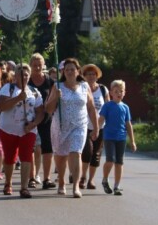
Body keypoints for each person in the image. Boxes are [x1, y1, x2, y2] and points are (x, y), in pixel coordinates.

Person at [45, 58, 98, 198]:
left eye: (72, 69)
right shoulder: (57, 86)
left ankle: (75, 186)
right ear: (63, 71)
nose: (69, 72)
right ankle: (61, 181)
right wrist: (55, 97)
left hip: (79, 126)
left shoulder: (84, 86)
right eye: (66, 69)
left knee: (76, 153)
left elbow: (91, 108)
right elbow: (49, 109)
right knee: (61, 157)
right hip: (60, 127)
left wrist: (96, 127)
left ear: (78, 71)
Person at [0, 64, 45, 198]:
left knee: (26, 156)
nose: (24, 77)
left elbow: (40, 111)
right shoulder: (8, 88)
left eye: (26, 75)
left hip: (27, 129)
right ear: (16, 76)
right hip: (8, 129)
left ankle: (24, 187)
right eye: (21, 74)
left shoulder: (34, 92)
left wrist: (33, 124)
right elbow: (1, 106)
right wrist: (18, 98)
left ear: (29, 76)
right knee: (10, 157)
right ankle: (8, 183)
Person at [98, 80, 137, 196]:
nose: (119, 93)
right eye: (116, 91)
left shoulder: (125, 107)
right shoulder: (107, 106)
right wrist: (97, 132)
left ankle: (117, 186)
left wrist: (133, 141)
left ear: (124, 92)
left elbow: (128, 124)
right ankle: (105, 179)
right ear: (111, 93)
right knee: (110, 160)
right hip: (109, 137)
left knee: (119, 162)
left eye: (121, 91)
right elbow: (101, 120)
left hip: (121, 138)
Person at [28, 53, 56, 190]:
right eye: (34, 65)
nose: (37, 67)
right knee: (31, 148)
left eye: (39, 65)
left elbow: (54, 98)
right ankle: (31, 177)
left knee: (47, 148)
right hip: (30, 118)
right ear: (31, 66)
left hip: (46, 119)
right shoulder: (27, 81)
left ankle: (46, 178)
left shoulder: (50, 81)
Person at [80, 64, 110, 189]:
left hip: (101, 127)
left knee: (96, 154)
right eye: (88, 74)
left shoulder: (103, 90)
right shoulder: (81, 88)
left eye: (93, 74)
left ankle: (91, 180)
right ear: (84, 76)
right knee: (87, 151)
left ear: (97, 76)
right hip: (84, 125)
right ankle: (83, 176)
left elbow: (108, 107)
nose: (91, 76)